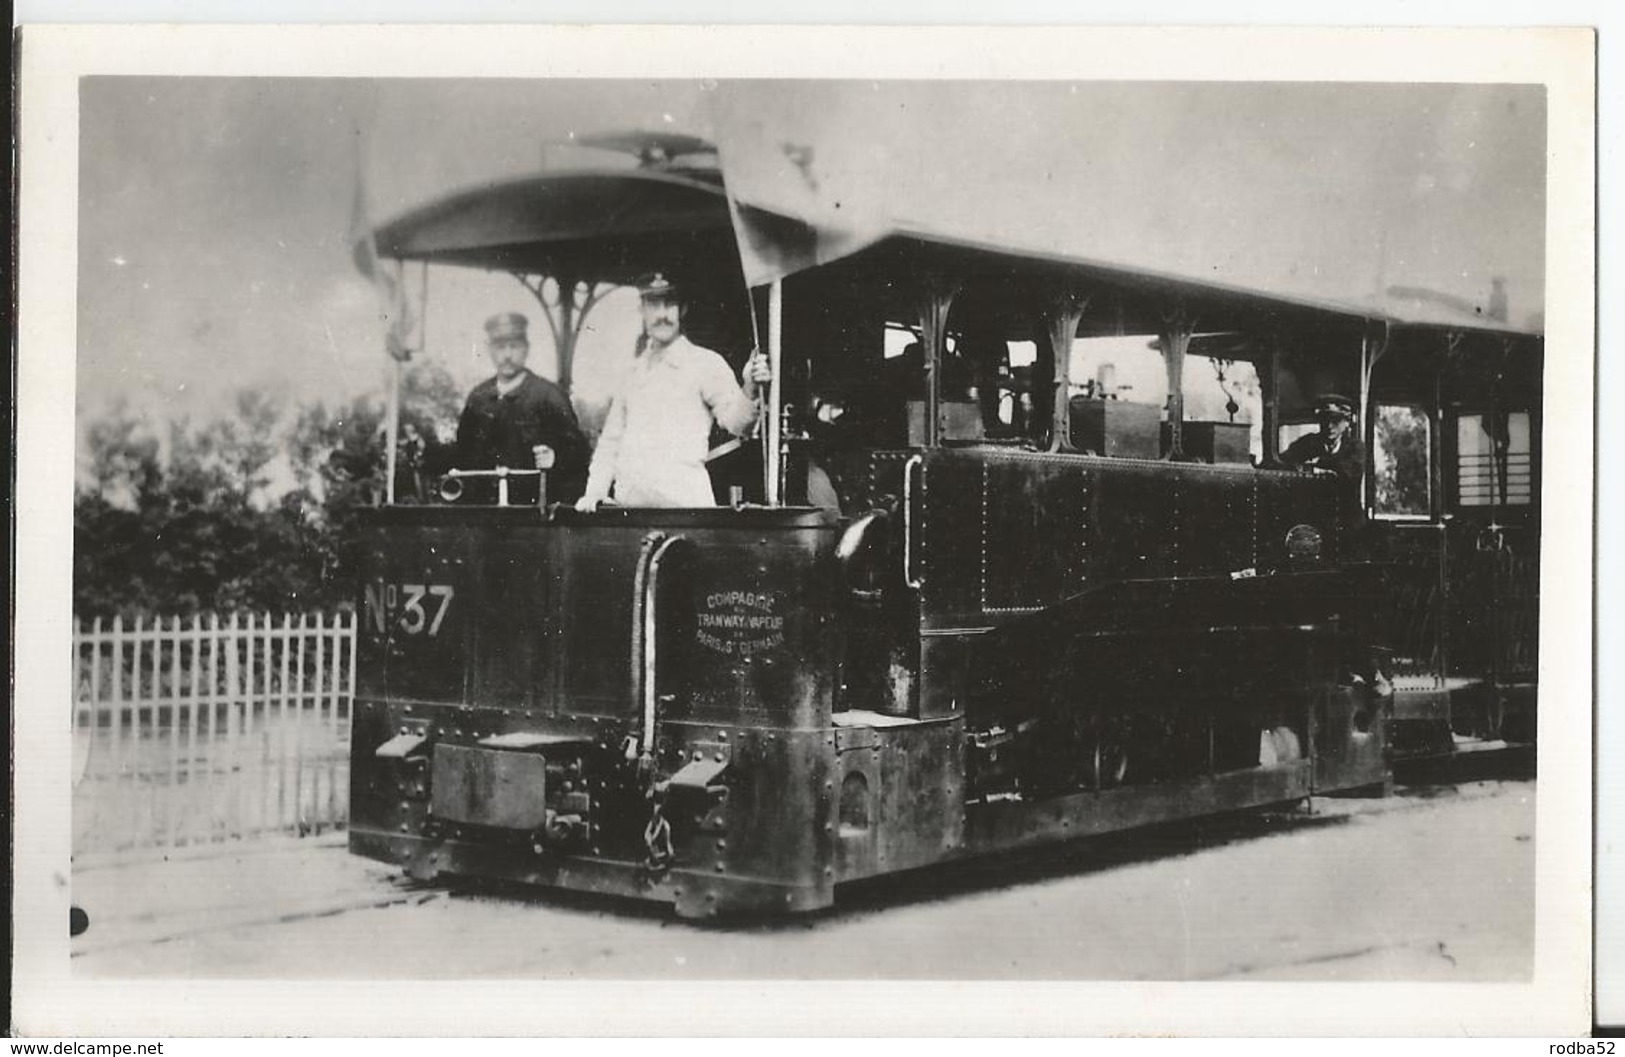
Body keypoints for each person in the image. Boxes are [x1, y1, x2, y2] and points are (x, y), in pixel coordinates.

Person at [575, 273, 772, 510]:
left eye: (670, 304)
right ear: (642, 311)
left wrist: (749, 387)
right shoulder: (632, 372)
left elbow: (738, 425)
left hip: (685, 508)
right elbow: (611, 442)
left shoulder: (704, 363)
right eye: (653, 305)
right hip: (630, 510)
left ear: (682, 310)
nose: (662, 315)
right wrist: (594, 493)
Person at [455, 311, 587, 503]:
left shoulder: (549, 396)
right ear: (490, 350)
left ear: (526, 349)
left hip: (533, 516)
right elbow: (463, 456)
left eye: (514, 346)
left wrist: (556, 458)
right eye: (500, 347)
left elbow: (579, 455)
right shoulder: (478, 398)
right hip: (484, 513)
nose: (507, 355)